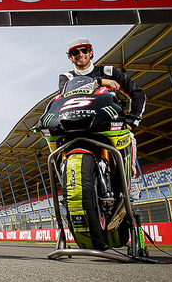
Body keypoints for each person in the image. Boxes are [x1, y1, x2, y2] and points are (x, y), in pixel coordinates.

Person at [59, 38, 146, 199]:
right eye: (75, 52)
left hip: (106, 123)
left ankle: (131, 180)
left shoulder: (109, 71)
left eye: (84, 50)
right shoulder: (66, 77)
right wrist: (99, 82)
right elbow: (64, 92)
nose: (80, 54)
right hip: (75, 126)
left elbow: (137, 93)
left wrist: (132, 120)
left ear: (91, 52)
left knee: (130, 137)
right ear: (70, 57)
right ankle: (66, 184)